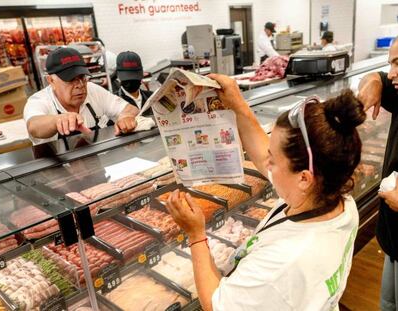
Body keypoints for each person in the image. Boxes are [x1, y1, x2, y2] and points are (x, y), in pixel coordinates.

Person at [165, 74, 366, 310]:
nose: (265, 164)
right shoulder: (339, 201)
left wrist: (195, 234)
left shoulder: (284, 262)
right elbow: (263, 153)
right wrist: (237, 103)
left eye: (273, 159)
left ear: (304, 178)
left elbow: (215, 304)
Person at [24, 47, 139, 145]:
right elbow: (33, 126)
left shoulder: (93, 89)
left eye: (82, 78)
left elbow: (130, 109)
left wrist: (126, 117)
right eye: (71, 80)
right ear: (51, 81)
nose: (80, 85)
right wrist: (57, 121)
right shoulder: (39, 100)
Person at [358, 36, 398, 311]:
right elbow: (379, 79)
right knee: (387, 304)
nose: (392, 72)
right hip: (393, 237)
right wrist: (373, 80)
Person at [115, 51, 153, 116]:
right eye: (127, 78)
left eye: (134, 78)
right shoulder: (113, 102)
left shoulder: (153, 97)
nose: (131, 81)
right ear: (117, 75)